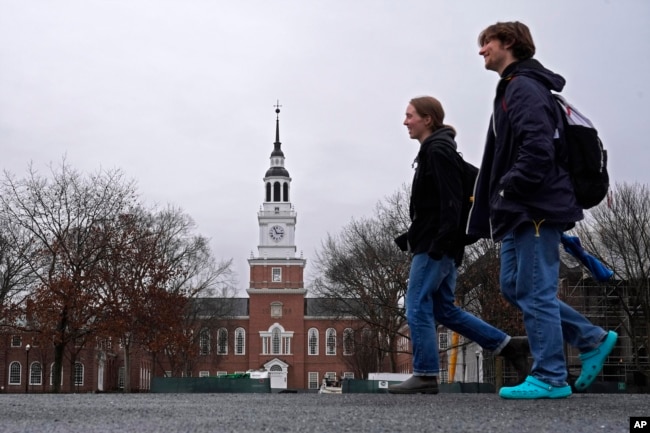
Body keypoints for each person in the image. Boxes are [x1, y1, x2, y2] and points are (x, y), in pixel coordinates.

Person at [468, 21, 618, 399]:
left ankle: (550, 376)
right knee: (515, 286)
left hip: (533, 205)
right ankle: (591, 337)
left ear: (509, 43)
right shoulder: (516, 87)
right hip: (520, 209)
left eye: (487, 42)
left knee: (535, 290)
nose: (482, 50)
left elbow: (538, 147)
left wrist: (507, 185)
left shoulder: (523, 87)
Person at [388, 96, 529, 395]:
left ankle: (425, 374)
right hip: (441, 245)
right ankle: (508, 345)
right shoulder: (438, 150)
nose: (405, 121)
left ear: (428, 119)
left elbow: (450, 202)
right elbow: (437, 206)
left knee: (416, 306)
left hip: (435, 248)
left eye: (410, 115)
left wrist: (440, 243)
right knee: (445, 311)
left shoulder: (437, 152)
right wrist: (413, 236)